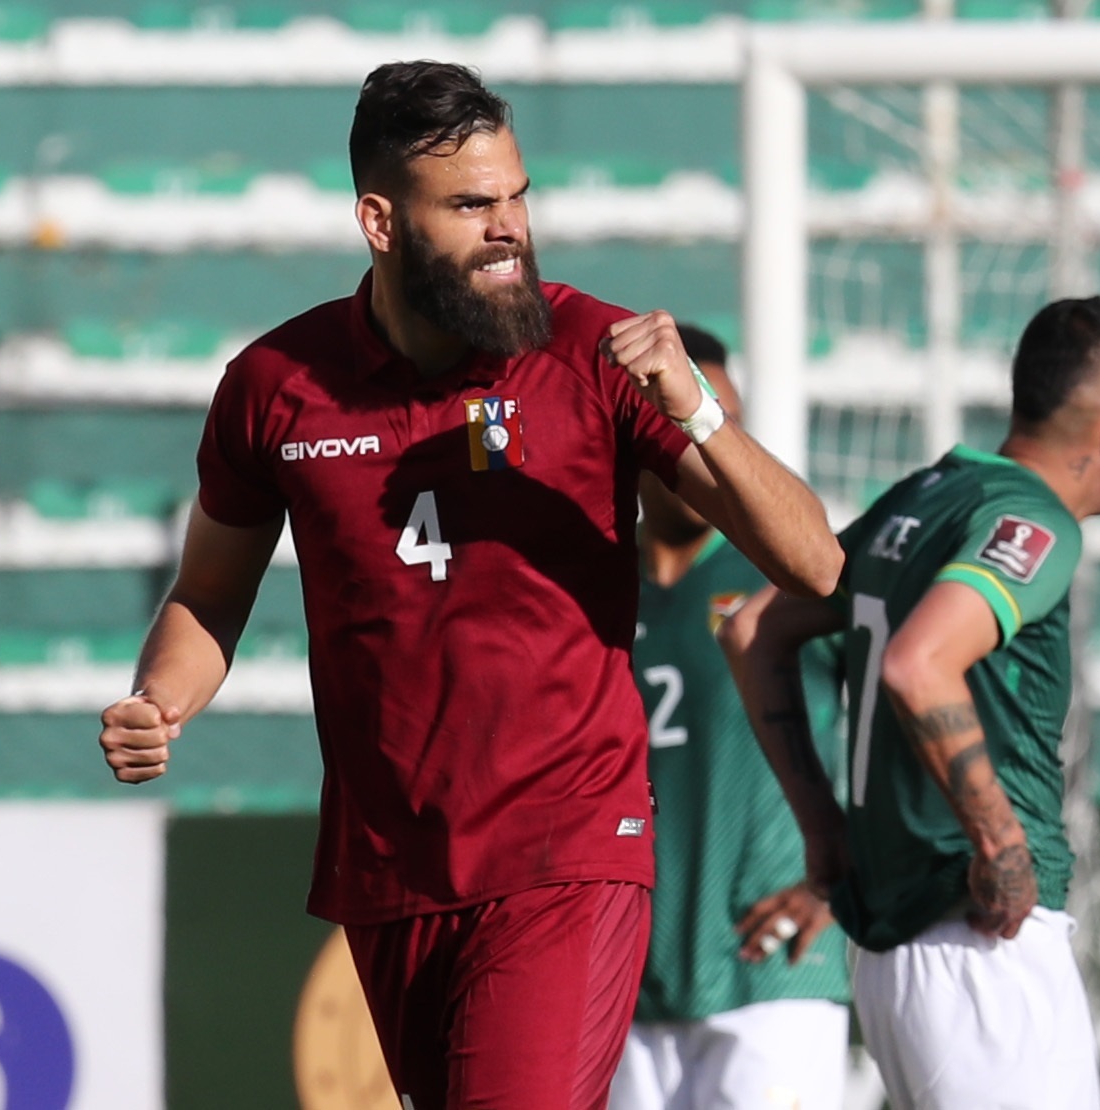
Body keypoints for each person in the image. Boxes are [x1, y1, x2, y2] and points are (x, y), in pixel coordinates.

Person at [96, 61, 841, 1110]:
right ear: (380, 220)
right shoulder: (275, 386)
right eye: (471, 204)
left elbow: (816, 566)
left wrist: (701, 414)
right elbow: (207, 595)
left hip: (566, 850)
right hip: (390, 868)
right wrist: (158, 700)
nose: (509, 229)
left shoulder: (593, 352)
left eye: (517, 196)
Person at [720, 297, 1100, 1110]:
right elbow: (919, 665)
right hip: (978, 939)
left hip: (896, 951)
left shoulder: (923, 497)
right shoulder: (1031, 521)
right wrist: (1000, 845)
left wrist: (824, 834)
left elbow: (753, 630)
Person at [610, 323, 856, 1110]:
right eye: (683, 416)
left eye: (722, 419)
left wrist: (847, 870)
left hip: (772, 977)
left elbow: (914, 708)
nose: (710, 443)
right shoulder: (591, 583)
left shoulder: (792, 570)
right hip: (619, 988)